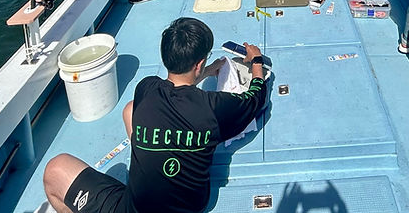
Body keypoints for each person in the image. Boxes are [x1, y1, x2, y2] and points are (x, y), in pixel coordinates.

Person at [43, 18, 269, 213]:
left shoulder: (147, 88)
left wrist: (205, 72)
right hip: (191, 206)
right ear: (199, 63)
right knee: (132, 110)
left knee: (56, 167)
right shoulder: (214, 107)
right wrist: (256, 61)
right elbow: (256, 97)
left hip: (135, 208)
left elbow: (177, 87)